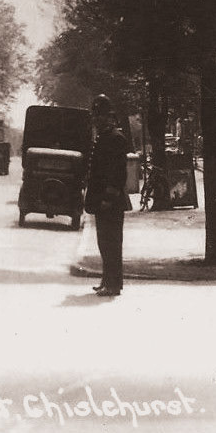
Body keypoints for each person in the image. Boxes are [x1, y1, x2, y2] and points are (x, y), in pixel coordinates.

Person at [86, 95, 130, 297]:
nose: (98, 120)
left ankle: (114, 284)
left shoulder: (115, 138)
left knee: (112, 243)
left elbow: (118, 173)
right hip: (101, 199)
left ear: (110, 118)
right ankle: (107, 280)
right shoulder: (103, 138)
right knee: (104, 243)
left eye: (102, 117)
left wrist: (108, 197)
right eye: (97, 116)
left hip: (110, 200)